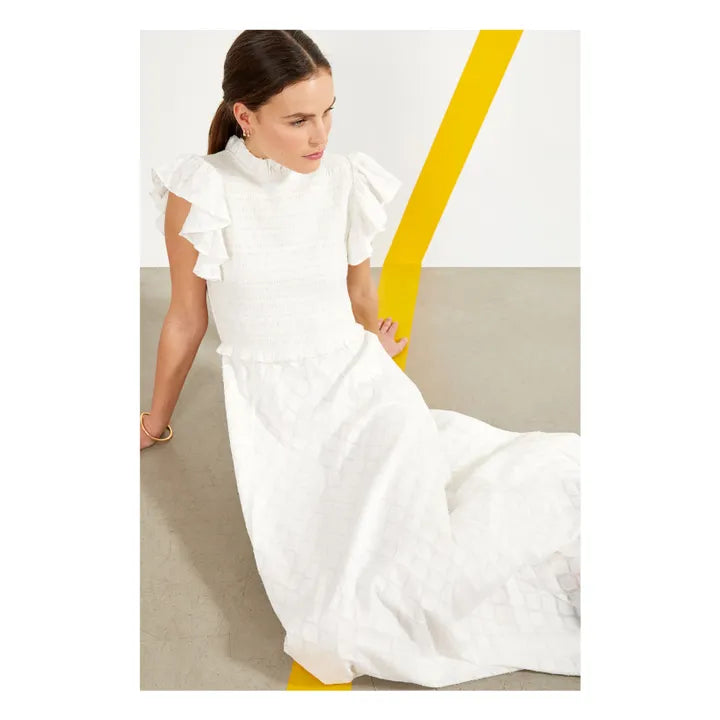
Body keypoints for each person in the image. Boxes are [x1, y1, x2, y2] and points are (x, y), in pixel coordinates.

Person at [141, 30, 581, 688]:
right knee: (337, 609)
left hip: (363, 385)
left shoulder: (345, 178)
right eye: (298, 120)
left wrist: (374, 337)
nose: (320, 136)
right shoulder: (202, 190)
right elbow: (186, 317)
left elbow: (357, 289)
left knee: (427, 549)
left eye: (327, 113)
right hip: (277, 413)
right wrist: (156, 420)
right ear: (245, 116)